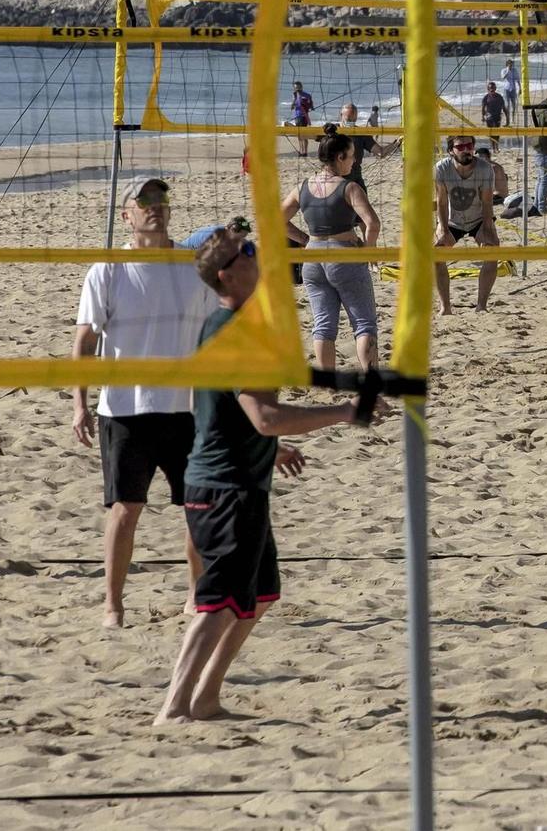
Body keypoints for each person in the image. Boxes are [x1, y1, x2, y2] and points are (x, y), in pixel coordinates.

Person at [154, 229, 378, 726]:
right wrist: (344, 411)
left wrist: (269, 448)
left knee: (257, 595)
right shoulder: (236, 330)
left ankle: (206, 697)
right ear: (227, 274)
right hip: (223, 485)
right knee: (219, 601)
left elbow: (219, 408)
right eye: (249, 251)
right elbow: (264, 416)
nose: (260, 255)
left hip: (236, 478)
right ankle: (173, 707)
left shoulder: (228, 324)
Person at [71, 176, 219, 628]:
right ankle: (113, 606)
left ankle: (196, 596)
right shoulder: (108, 270)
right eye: (144, 201)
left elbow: (217, 333)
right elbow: (85, 341)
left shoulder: (192, 267)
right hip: (125, 410)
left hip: (185, 408)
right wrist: (79, 403)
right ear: (126, 215)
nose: (155, 207)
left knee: (197, 507)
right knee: (125, 508)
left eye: (160, 200)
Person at [282, 130, 381, 371]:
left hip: (313, 258)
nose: (354, 161)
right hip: (344, 253)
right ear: (339, 157)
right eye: (351, 156)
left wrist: (305, 239)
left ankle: (328, 383)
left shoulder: (302, 187)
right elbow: (373, 224)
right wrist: (369, 252)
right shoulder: (350, 188)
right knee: (364, 324)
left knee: (323, 325)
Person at [434, 134, 498, 313]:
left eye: (469, 146)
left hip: (478, 218)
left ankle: (481, 306)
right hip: (452, 220)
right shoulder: (441, 168)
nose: (466, 150)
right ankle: (445, 307)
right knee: (436, 256)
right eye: (460, 147)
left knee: (492, 252)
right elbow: (441, 201)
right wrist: (443, 228)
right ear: (450, 151)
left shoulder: (485, 169)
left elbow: (487, 203)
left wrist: (488, 230)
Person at [336, 103, 376, 188]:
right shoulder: (331, 130)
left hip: (355, 176)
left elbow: (381, 152)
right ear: (341, 115)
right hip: (336, 176)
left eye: (354, 120)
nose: (351, 122)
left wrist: (397, 142)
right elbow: (307, 135)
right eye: (349, 119)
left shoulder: (361, 133)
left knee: (362, 199)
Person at [288, 82, 313, 156]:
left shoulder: (307, 95)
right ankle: (301, 151)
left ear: (301, 87)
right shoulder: (295, 96)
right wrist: (295, 99)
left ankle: (305, 152)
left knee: (304, 134)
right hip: (297, 117)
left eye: (298, 87)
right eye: (296, 87)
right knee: (299, 135)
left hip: (304, 117)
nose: (297, 89)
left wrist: (307, 106)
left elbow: (311, 106)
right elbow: (292, 108)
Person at [500, 58, 520, 124]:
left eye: (512, 64)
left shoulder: (515, 70)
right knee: (507, 105)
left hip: (513, 89)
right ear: (507, 65)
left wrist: (520, 88)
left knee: (514, 105)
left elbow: (518, 79)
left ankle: (513, 118)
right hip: (506, 89)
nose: (511, 66)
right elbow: (503, 78)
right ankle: (507, 119)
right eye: (509, 64)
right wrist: (508, 71)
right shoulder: (504, 70)